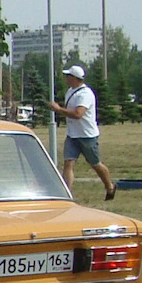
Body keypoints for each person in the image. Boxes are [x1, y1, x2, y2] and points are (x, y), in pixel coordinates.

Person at [48, 64, 116, 201]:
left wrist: (58, 109)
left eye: (68, 76)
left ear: (75, 78)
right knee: (68, 163)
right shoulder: (70, 91)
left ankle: (110, 186)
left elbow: (78, 114)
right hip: (73, 135)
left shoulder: (85, 94)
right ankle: (66, 194)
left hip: (87, 136)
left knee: (95, 164)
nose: (66, 79)